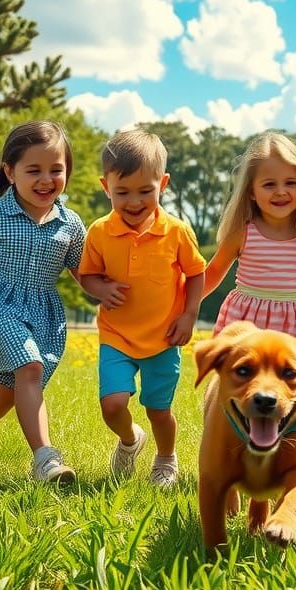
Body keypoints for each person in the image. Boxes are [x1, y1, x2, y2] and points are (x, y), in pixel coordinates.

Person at [0, 121, 86, 484]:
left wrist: (105, 292)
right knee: (30, 367)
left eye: (56, 170)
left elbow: (83, 271)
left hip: (43, 314)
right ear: (10, 172)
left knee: (15, 389)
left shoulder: (70, 224)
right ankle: (45, 459)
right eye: (34, 170)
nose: (46, 179)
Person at [79, 129, 206, 487]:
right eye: (122, 193)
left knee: (158, 409)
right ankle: (130, 440)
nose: (134, 202)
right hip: (117, 336)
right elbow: (87, 275)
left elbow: (196, 274)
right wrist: (101, 289)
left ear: (162, 183)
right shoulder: (100, 232)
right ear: (106, 187)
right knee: (113, 405)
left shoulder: (177, 231)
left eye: (145, 191)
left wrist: (189, 316)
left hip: (164, 337)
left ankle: (166, 458)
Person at [203, 132, 296, 346]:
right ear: (251, 192)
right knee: (239, 377)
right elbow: (214, 272)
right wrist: (184, 312)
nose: (281, 191)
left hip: (293, 325)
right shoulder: (242, 231)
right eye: (269, 184)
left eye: (290, 182)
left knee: (289, 378)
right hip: (245, 323)